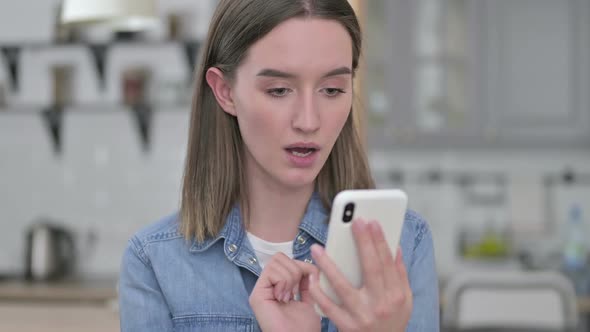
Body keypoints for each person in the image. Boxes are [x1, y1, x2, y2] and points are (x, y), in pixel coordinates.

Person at [118, 0, 439, 331]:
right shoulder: (154, 262)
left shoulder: (403, 244)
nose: (309, 121)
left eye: (332, 89)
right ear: (225, 91)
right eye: (279, 90)